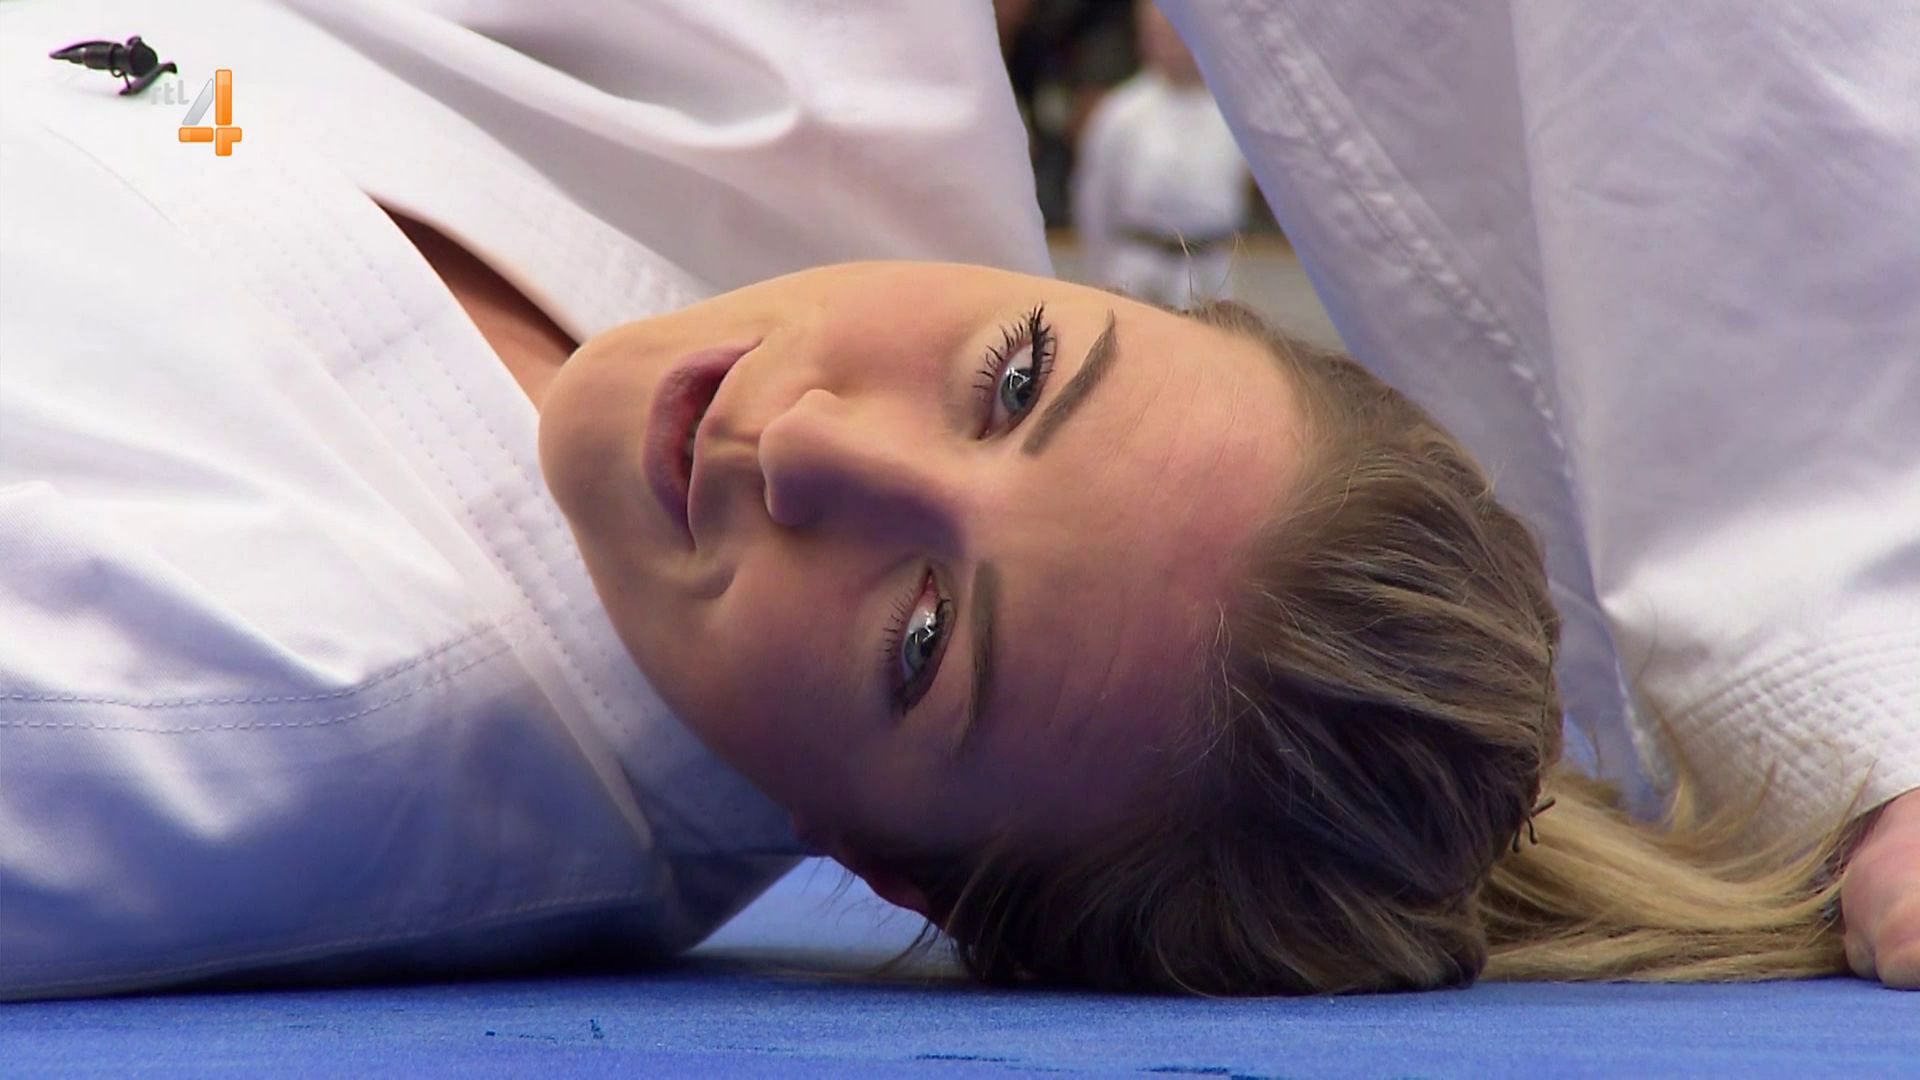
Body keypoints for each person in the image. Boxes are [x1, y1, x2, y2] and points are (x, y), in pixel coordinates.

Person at [2, 0, 1913, 1002]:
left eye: (922, 644)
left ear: (893, 870)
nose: (811, 449)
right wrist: (1834, 639)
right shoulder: (846, 114)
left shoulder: (227, 704)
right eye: (1016, 378)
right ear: (1110, 298)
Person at [1071, 1, 1250, 306]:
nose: (1172, 43)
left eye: (1179, 32)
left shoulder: (1232, 112)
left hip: (1210, 269)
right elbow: (1093, 204)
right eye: (1161, 32)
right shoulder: (1121, 113)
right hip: (1138, 269)